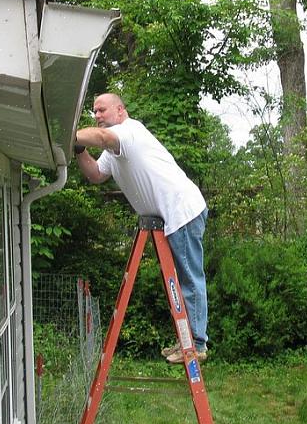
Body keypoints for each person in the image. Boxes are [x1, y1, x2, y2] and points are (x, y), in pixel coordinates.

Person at [74, 93, 209, 364]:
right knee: (178, 282)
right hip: (171, 217)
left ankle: (196, 344)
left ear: (120, 111)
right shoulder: (114, 150)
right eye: (94, 112)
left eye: (102, 110)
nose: (97, 115)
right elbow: (95, 175)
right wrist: (78, 149)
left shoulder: (129, 132)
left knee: (188, 280)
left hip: (181, 211)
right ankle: (187, 341)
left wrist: (71, 135)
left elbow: (102, 138)